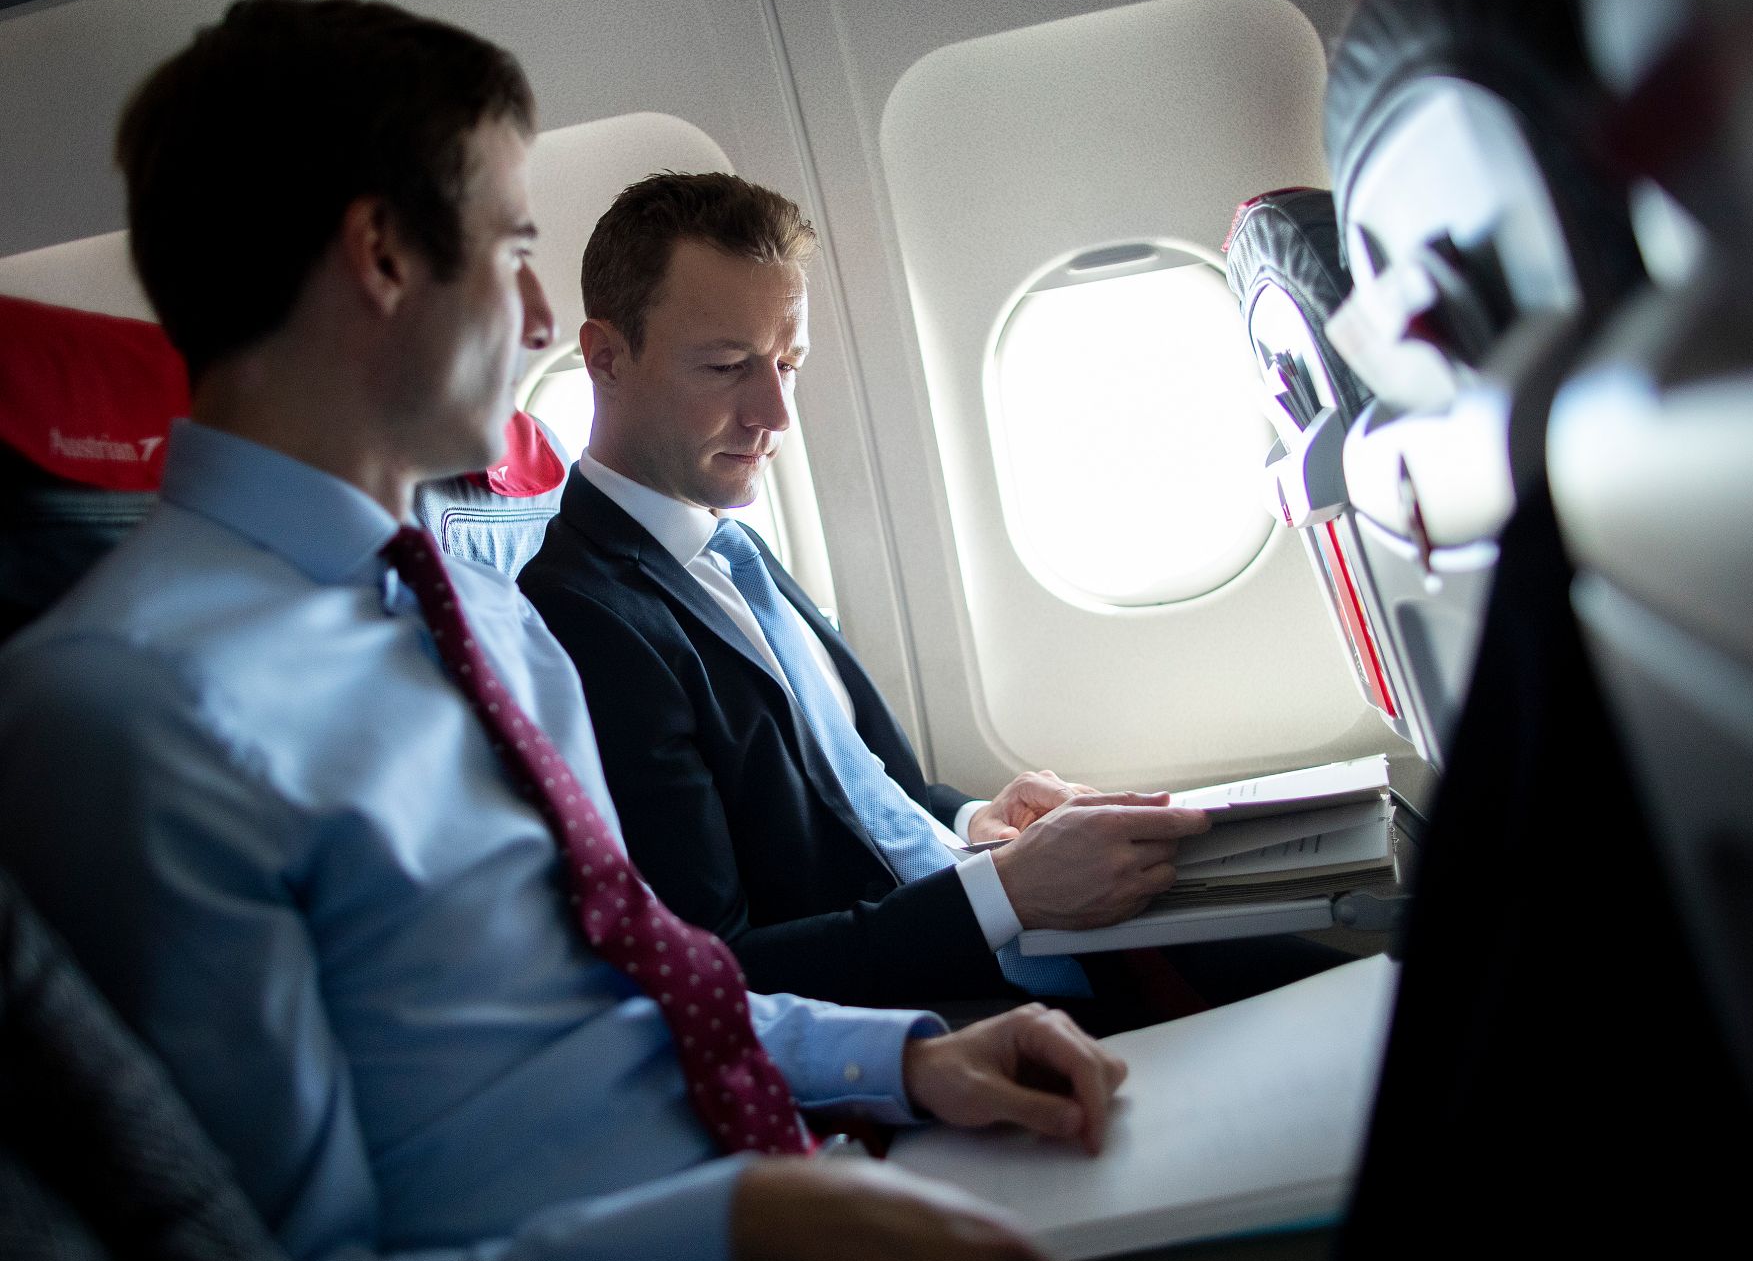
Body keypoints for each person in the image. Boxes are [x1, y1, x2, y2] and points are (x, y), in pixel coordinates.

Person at [0, 0, 1126, 1261]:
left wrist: (906, 1057)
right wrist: (736, 1246)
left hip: (787, 1198)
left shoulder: (482, 615)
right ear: (380, 255)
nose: (542, 315)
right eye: (513, 249)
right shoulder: (128, 705)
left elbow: (645, 996)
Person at [520, 172, 1342, 1021]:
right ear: (606, 357)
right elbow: (726, 971)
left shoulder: (728, 548)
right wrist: (1009, 896)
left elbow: (862, 800)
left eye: (787, 363)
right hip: (953, 1005)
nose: (776, 413)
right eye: (727, 366)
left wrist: (984, 818)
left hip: (1009, 929)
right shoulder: (586, 617)